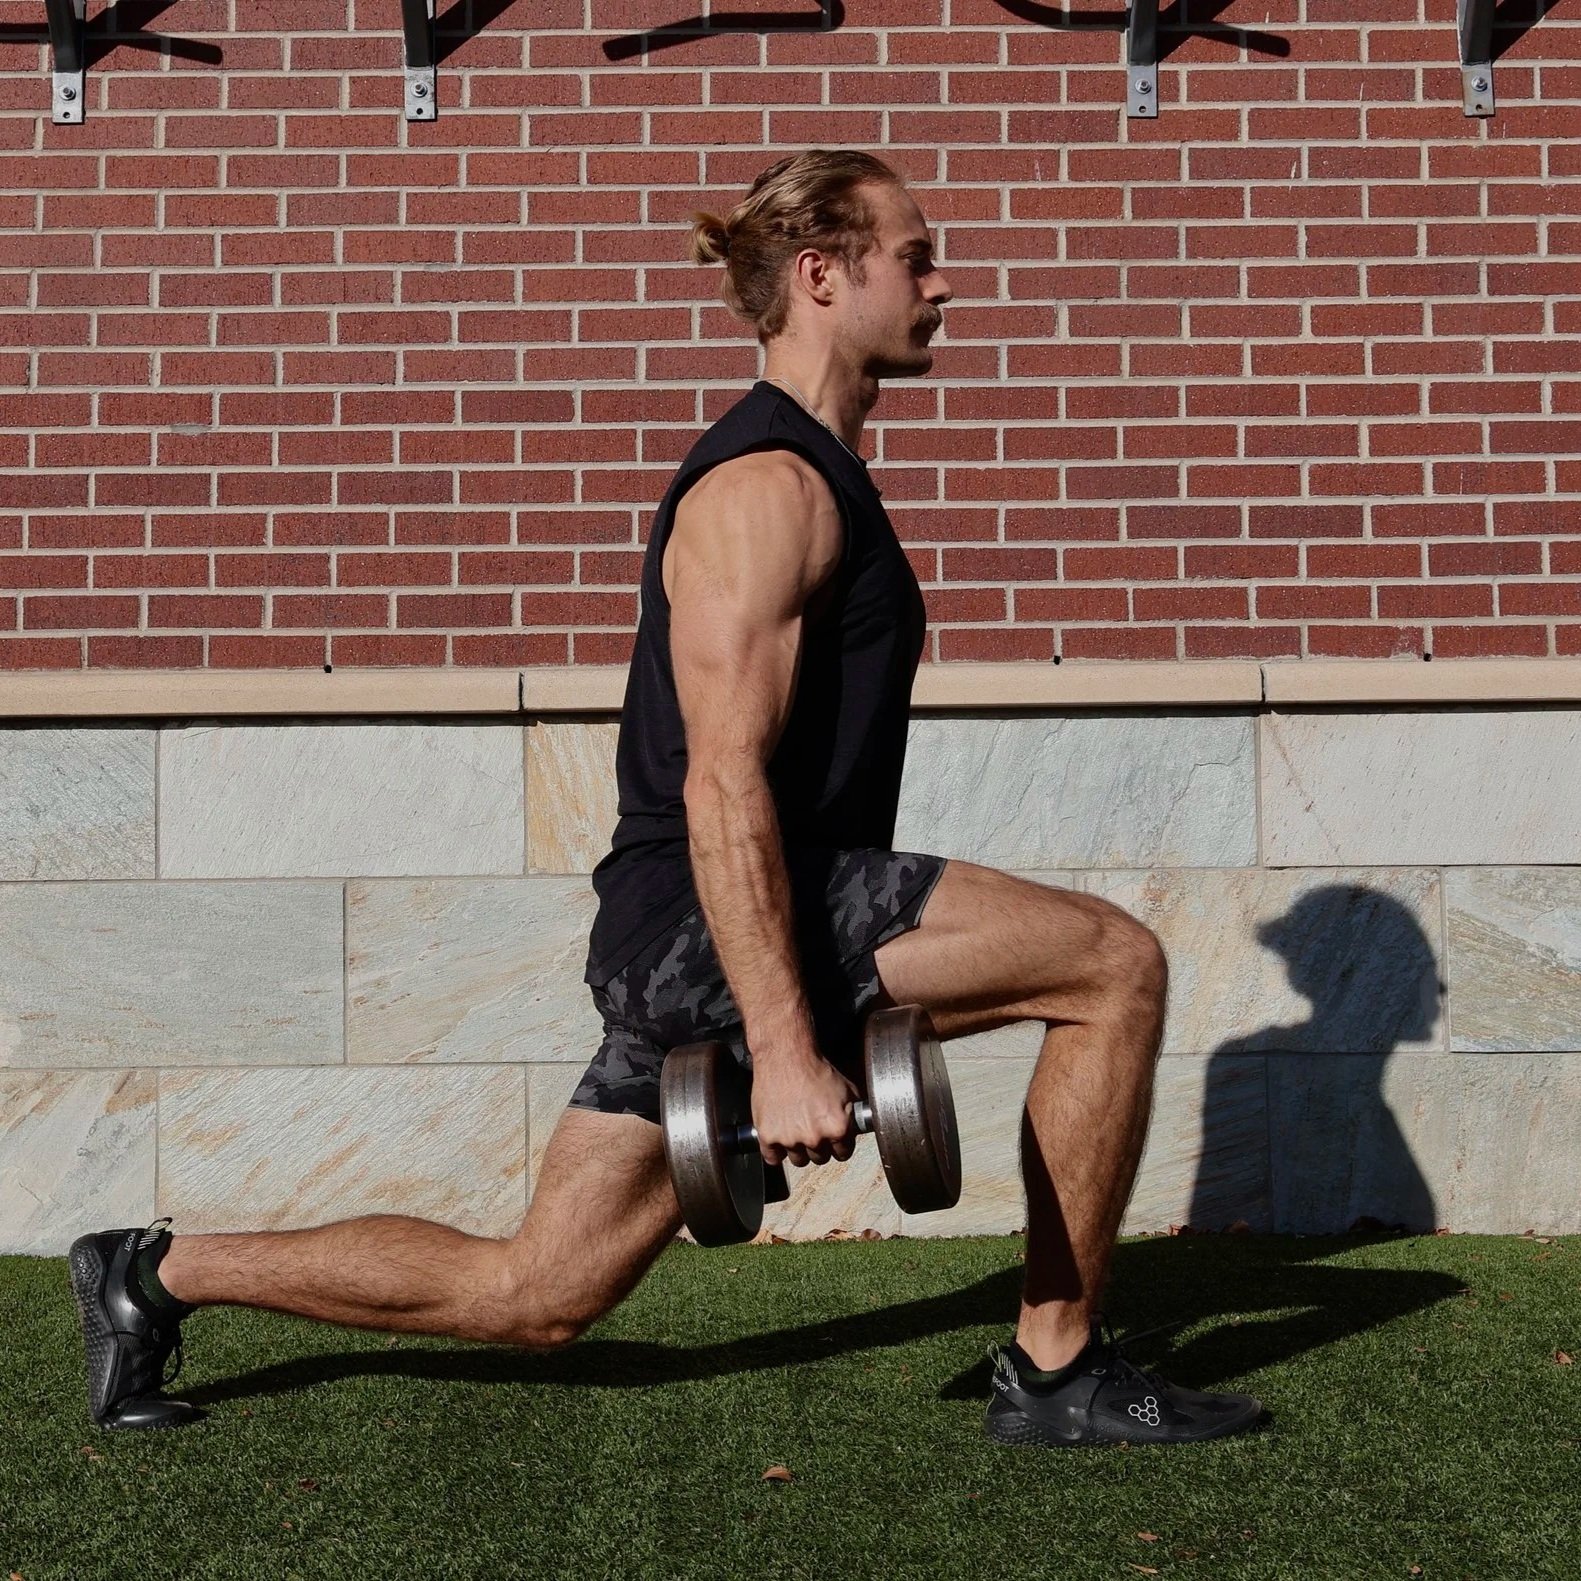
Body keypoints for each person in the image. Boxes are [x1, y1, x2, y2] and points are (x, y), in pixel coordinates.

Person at [69, 148, 1262, 1447]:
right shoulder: (766, 488)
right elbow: (721, 774)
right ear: (821, 272)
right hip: (725, 914)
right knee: (1110, 964)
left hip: (689, 929)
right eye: (913, 254)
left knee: (535, 1289)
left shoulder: (806, 474)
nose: (944, 281)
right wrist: (789, 1045)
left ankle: (149, 1271)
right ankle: (1054, 1370)